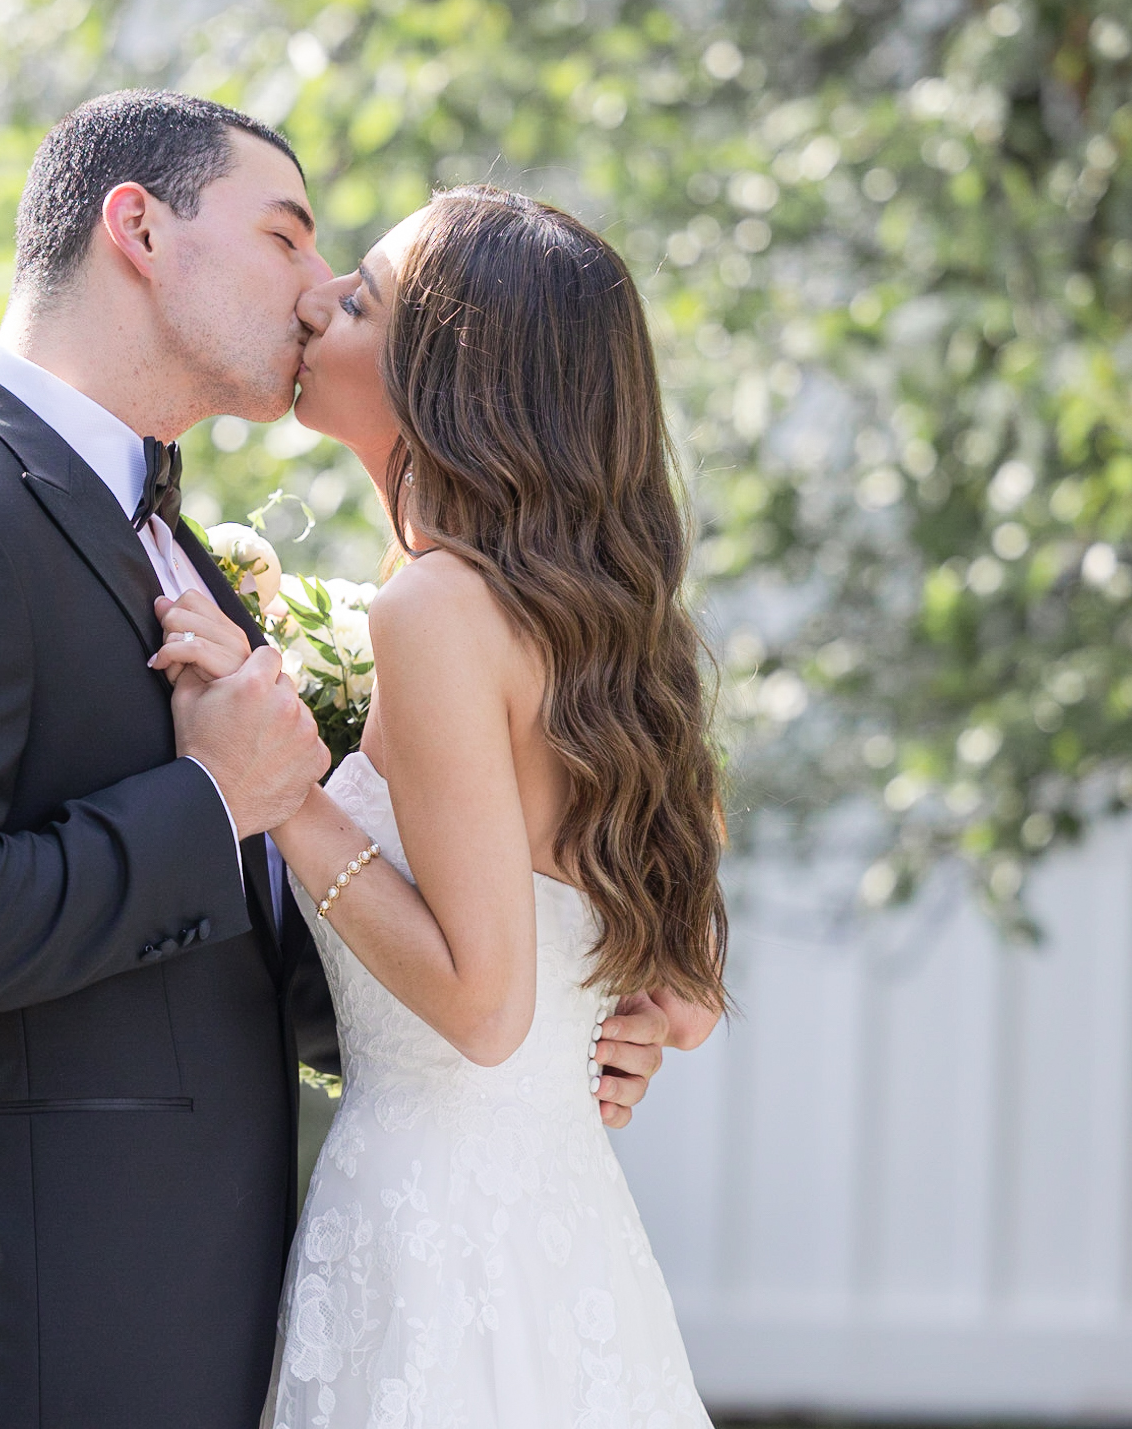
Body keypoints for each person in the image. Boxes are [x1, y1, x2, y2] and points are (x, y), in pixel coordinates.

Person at [0, 95, 681, 1429]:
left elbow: (237, 955)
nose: (318, 293)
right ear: (137, 228)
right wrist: (216, 799)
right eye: (288, 238)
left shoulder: (189, 558)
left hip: (243, 1320)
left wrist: (565, 1029)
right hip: (17, 1340)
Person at [155, 186, 729, 1428]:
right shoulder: (601, 629)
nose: (316, 301)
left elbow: (481, 1008)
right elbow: (680, 1002)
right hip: (560, 1229)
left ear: (449, 378)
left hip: (436, 1233)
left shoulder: (438, 611)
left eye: (358, 299)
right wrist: (611, 1024)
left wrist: (282, 788)